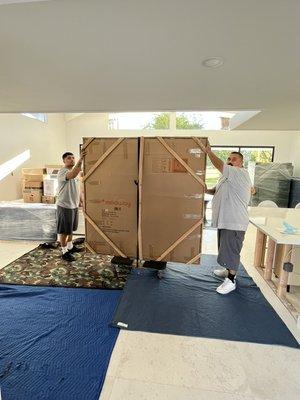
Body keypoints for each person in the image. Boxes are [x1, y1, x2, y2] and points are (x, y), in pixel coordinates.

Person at [203, 141, 252, 294]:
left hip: (235, 222)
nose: (230, 161)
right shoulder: (225, 178)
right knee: (225, 248)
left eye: (234, 159)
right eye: (229, 159)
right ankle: (227, 270)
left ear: (241, 163)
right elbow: (215, 191)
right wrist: (205, 189)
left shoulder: (241, 174)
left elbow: (219, 166)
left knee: (231, 250)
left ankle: (231, 280)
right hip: (225, 220)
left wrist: (209, 152)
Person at [56, 150, 86, 261]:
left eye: (73, 157)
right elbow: (72, 175)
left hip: (73, 205)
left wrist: (81, 201)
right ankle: (64, 251)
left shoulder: (77, 173)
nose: (71, 159)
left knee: (71, 229)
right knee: (64, 230)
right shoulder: (62, 172)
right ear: (64, 160)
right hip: (64, 205)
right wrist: (81, 159)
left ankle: (70, 246)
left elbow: (78, 189)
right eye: (69, 158)